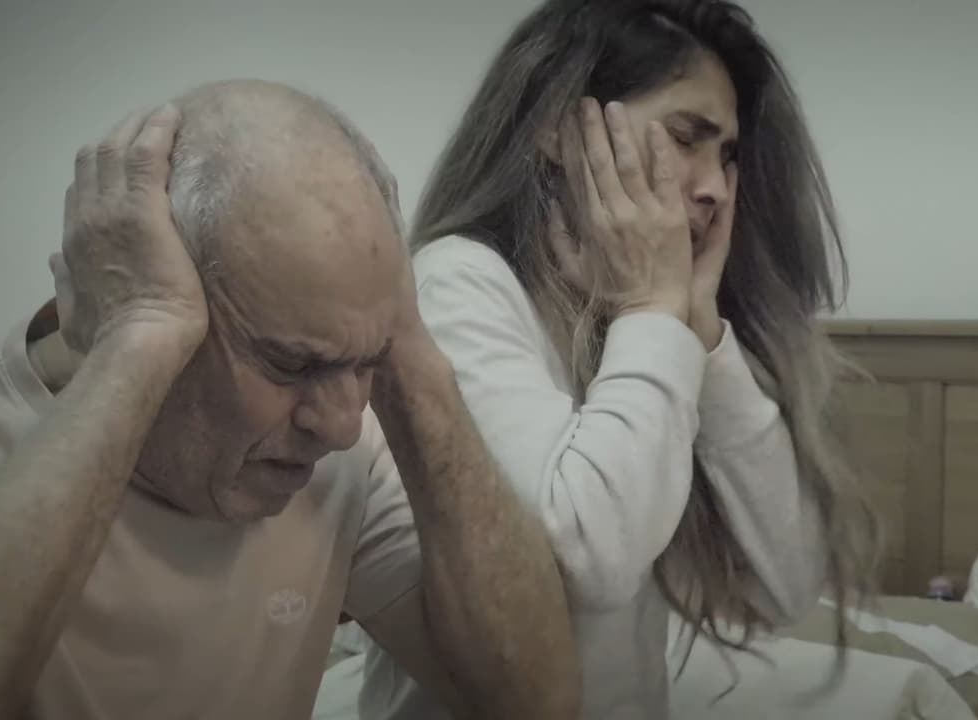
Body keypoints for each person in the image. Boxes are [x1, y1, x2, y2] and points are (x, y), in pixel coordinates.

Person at [0, 80, 581, 720]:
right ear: (136, 287)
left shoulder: (346, 471)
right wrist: (136, 339)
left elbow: (535, 700)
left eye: (362, 364)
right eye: (292, 364)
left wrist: (405, 351)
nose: (341, 427)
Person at [360, 1, 884, 718]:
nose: (716, 187)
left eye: (729, 156)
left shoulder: (644, 320)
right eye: (687, 137)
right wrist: (655, 311)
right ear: (556, 126)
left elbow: (788, 587)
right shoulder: (458, 281)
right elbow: (586, 561)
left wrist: (704, 336)